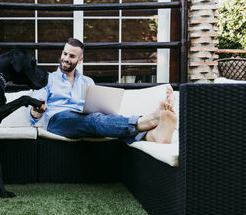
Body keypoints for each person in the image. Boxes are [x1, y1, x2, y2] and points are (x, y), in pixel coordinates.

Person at [29, 38, 177, 143]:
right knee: (95, 120)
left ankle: (152, 136)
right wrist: (37, 109)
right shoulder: (46, 79)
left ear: (80, 60)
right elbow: (34, 113)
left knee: (100, 120)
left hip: (86, 120)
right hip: (58, 121)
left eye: (72, 56)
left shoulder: (88, 81)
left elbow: (95, 109)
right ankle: (149, 119)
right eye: (64, 54)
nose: (66, 58)